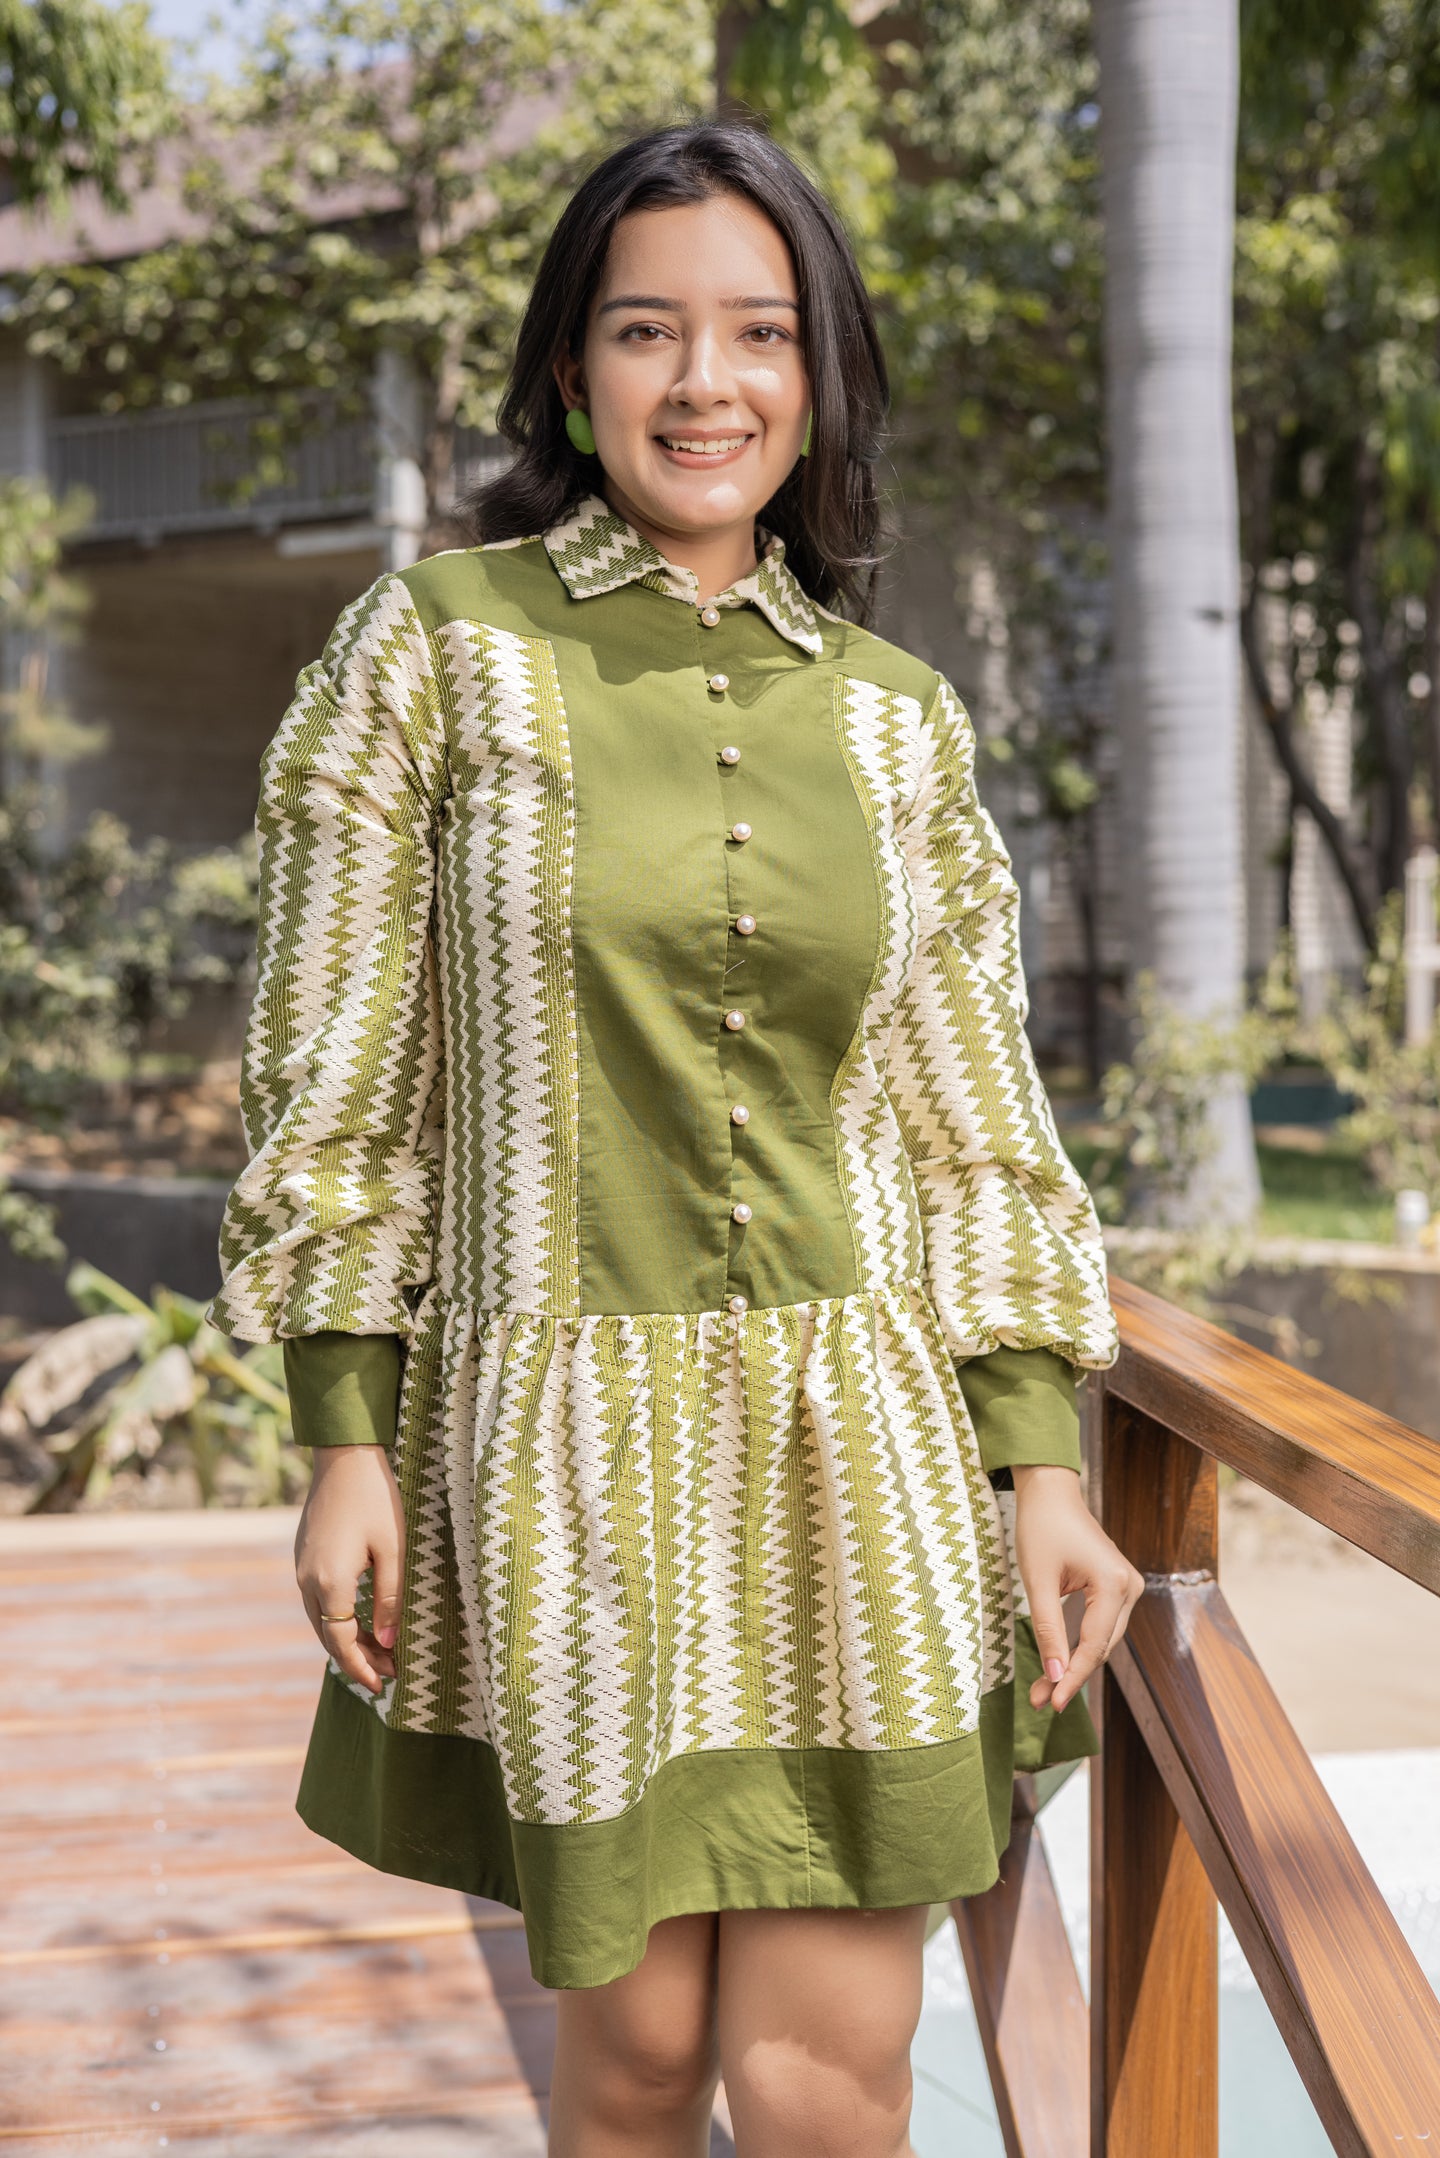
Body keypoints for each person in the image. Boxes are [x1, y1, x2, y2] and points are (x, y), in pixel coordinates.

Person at [210, 119, 1143, 2158]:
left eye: (757, 334)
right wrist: (342, 1424)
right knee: (630, 2072)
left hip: (860, 1455)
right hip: (565, 1462)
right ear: (573, 370)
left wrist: (1040, 1461)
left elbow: (972, 1112)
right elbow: (334, 1062)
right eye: (648, 331)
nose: (702, 382)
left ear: (818, 384)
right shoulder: (436, 650)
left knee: (829, 2087)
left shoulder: (903, 722)